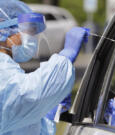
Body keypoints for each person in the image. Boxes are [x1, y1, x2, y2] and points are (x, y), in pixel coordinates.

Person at [0, 0, 89, 135]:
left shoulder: (9, 69)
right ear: (4, 31)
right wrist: (65, 58)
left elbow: (21, 127)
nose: (32, 38)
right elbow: (26, 95)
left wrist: (47, 115)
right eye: (28, 31)